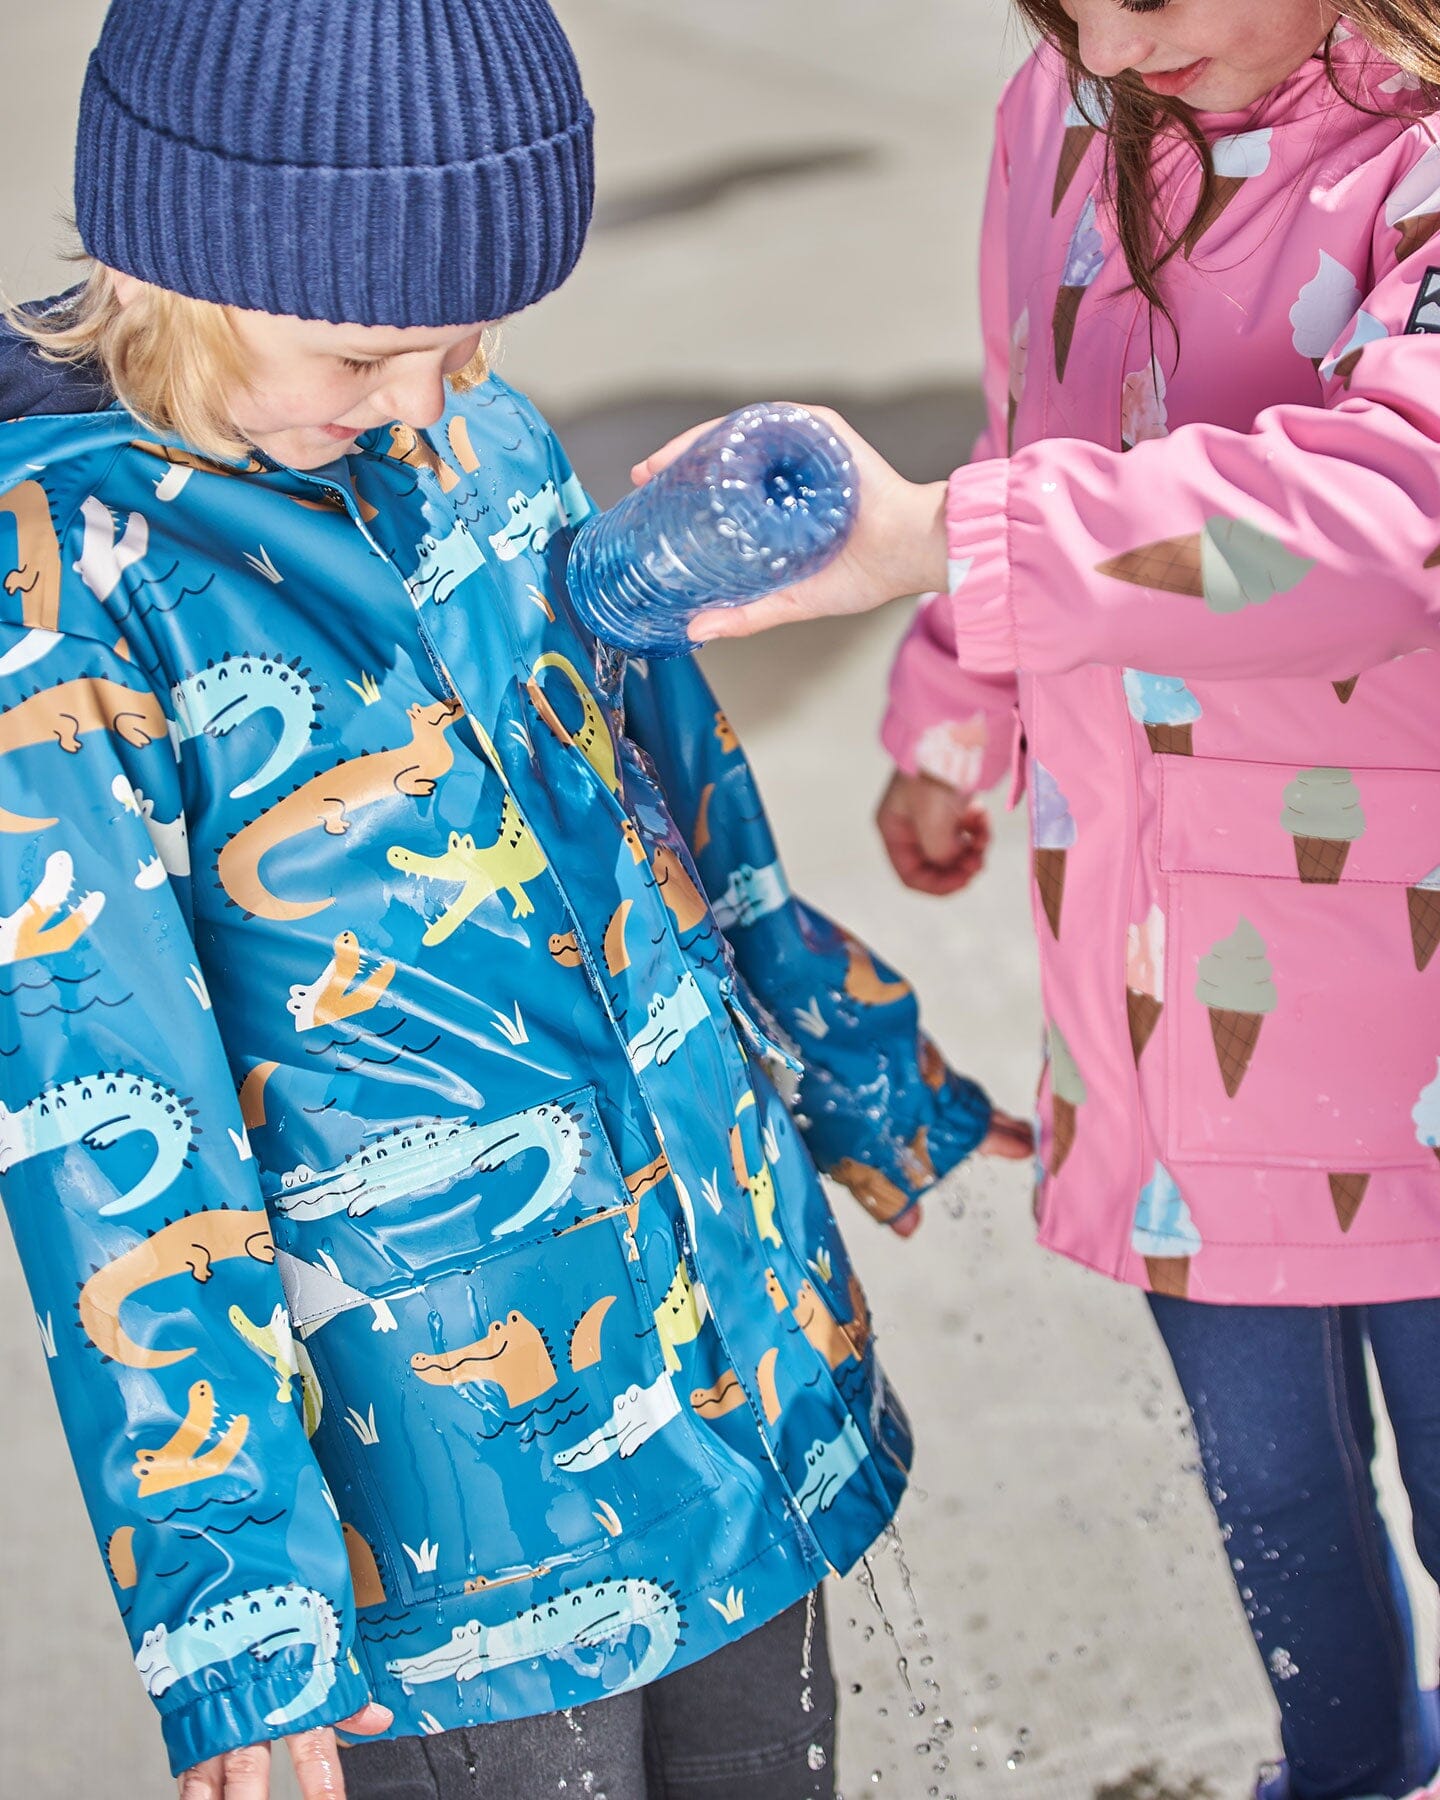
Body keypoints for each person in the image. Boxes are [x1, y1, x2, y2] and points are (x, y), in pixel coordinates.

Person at [0, 3, 1031, 1797]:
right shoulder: (70, 601)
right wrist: (239, 1613)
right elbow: (110, 1124)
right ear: (186, 258)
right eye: (373, 351)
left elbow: (677, 801)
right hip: (447, 1508)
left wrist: (854, 1054)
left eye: (469, 336)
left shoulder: (484, 441)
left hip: (721, 1375)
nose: (427, 399)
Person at [638, 4, 1440, 1797]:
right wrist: (958, 699)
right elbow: (1044, 423)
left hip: (1407, 1002)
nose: (1114, 33)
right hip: (1160, 983)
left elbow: (1398, 509)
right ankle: (1351, 1769)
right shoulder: (1072, 110)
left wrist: (946, 546)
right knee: (1274, 1488)